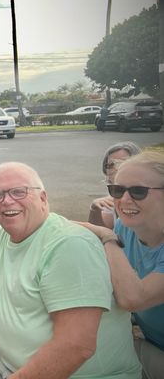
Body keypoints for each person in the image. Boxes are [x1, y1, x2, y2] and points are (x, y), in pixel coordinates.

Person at [0, 162, 142, 379]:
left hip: (79, 373)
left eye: (18, 192)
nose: (7, 201)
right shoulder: (0, 233)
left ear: (43, 198)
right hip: (5, 359)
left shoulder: (70, 245)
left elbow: (76, 346)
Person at [80, 151, 164, 379]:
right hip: (152, 344)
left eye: (138, 191)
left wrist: (107, 237)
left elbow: (132, 299)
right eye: (117, 190)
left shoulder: (115, 233)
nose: (124, 200)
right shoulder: (126, 227)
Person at [88, 141, 141, 228]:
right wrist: (95, 210)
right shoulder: (111, 198)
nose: (115, 169)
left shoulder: (149, 193)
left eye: (122, 163)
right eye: (110, 165)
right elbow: (99, 232)